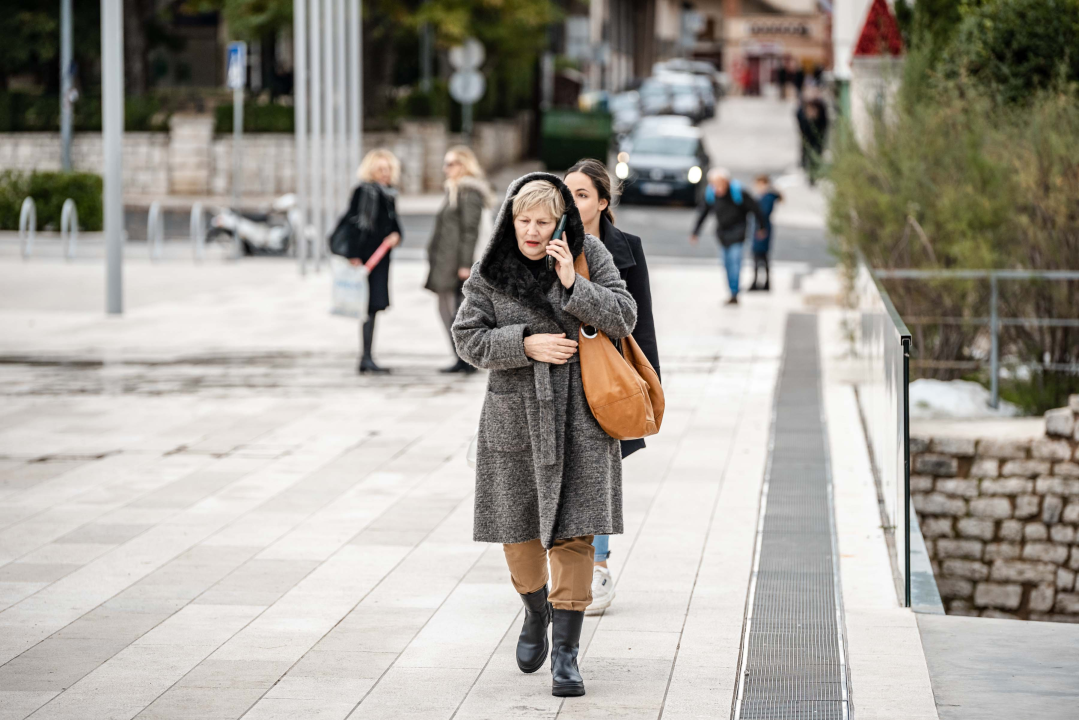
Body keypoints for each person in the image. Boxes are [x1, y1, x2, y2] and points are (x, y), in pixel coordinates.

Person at [452, 173, 637, 697]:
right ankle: (536, 610)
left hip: (581, 417)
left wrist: (574, 285)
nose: (532, 231)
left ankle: (567, 655)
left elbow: (626, 316)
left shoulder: (589, 254)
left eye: (543, 221)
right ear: (510, 220)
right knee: (518, 533)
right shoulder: (492, 269)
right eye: (523, 220)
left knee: (576, 533)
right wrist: (524, 344)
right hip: (516, 417)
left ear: (561, 222)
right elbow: (467, 337)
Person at [564, 158, 660, 615]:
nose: (573, 201)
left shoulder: (628, 248)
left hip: (610, 375)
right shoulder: (548, 243)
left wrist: (648, 384)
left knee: (601, 473)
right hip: (563, 372)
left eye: (583, 194)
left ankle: (598, 568)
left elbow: (641, 324)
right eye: (569, 193)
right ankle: (568, 566)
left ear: (603, 201)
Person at [425, 145, 495, 373]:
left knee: (456, 311)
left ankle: (465, 359)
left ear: (464, 165)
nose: (445, 169)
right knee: (447, 309)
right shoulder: (455, 190)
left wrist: (466, 264)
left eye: (450, 164)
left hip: (457, 264)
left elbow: (470, 230)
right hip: (447, 261)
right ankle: (461, 358)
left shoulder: (469, 192)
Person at [336, 149, 403, 373]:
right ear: (371, 170)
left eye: (389, 169)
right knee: (368, 307)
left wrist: (396, 235)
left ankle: (367, 357)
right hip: (366, 260)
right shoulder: (365, 191)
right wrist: (354, 255)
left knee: (372, 307)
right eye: (381, 169)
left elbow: (393, 224)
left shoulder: (388, 194)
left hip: (380, 260)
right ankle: (365, 358)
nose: (385, 173)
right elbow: (356, 225)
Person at [690, 168, 765, 305]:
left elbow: (756, 209)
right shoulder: (711, 195)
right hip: (723, 236)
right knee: (727, 265)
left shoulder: (739, 193)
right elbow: (703, 213)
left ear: (726, 181)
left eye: (718, 183)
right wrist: (695, 232)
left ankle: (734, 293)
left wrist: (761, 227)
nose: (716, 187)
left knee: (735, 262)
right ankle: (732, 290)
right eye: (713, 183)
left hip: (738, 234)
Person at [749, 174, 782, 292]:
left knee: (761, 256)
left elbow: (763, 213)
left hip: (762, 228)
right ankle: (760, 280)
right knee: (759, 256)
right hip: (760, 227)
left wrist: (761, 228)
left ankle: (763, 281)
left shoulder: (767, 197)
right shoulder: (763, 196)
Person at [797, 91, 829, 185]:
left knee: (816, 155)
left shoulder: (821, 110)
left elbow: (825, 124)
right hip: (807, 137)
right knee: (807, 154)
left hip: (817, 138)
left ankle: (814, 174)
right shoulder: (801, 112)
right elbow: (801, 127)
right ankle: (809, 172)